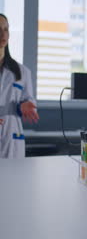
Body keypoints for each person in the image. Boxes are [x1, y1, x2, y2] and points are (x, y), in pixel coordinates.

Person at [0, 13, 39, 158]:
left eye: (6, 29)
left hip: (12, 141)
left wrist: (24, 106)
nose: (3, 34)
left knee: (13, 179)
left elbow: (29, 100)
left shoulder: (22, 72)